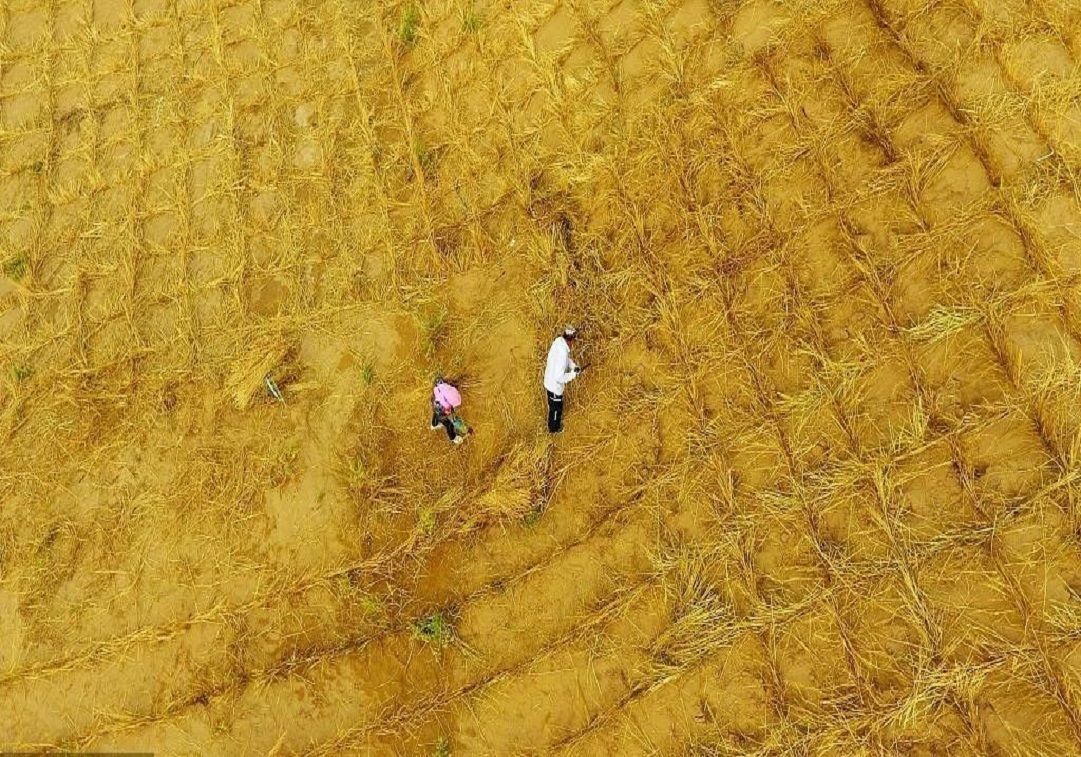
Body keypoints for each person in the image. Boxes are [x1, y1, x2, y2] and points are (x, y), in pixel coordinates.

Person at [543, 326, 581, 434]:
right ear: (571, 340)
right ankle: (554, 430)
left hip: (549, 382)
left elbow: (566, 360)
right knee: (556, 410)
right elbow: (559, 377)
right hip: (554, 387)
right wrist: (573, 375)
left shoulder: (558, 343)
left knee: (553, 407)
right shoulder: (563, 352)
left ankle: (552, 425)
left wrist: (573, 367)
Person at [430, 376, 466, 445]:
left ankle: (434, 424)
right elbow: (455, 404)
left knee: (436, 414)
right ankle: (453, 438)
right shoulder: (452, 394)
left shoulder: (437, 389)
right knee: (449, 424)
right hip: (441, 411)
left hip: (436, 406)